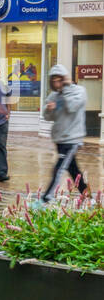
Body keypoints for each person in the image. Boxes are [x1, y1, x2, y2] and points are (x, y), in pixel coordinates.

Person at [42, 64, 88, 203]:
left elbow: (72, 107)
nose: (56, 83)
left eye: (59, 80)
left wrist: (66, 89)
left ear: (64, 79)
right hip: (60, 139)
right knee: (74, 171)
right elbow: (47, 117)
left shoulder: (79, 91)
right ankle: (88, 197)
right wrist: (49, 110)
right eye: (53, 81)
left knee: (59, 168)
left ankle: (46, 198)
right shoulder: (54, 95)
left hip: (72, 139)